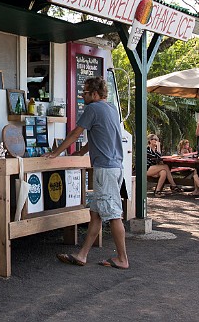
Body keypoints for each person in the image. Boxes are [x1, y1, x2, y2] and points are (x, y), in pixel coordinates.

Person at [44, 76, 128, 270]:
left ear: (96, 94)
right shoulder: (112, 109)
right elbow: (100, 136)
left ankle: (122, 259)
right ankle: (82, 255)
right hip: (115, 167)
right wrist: (81, 152)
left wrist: (56, 153)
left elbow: (75, 133)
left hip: (105, 170)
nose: (82, 97)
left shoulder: (93, 109)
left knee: (114, 214)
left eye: (85, 93)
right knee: (96, 213)